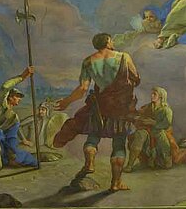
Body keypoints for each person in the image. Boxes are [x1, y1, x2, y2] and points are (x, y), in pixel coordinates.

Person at [53, 31, 140, 195]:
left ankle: (90, 163)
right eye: (111, 39)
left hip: (100, 106)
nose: (113, 42)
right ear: (107, 41)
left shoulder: (88, 61)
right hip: (121, 108)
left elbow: (83, 89)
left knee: (93, 135)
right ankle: (116, 183)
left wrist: (66, 102)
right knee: (119, 143)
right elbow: (136, 77)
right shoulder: (124, 57)